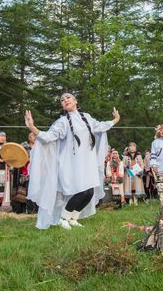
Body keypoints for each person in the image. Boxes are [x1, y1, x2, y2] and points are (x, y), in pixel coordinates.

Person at [25, 93, 120, 230]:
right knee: (81, 191)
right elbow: (48, 136)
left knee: (90, 192)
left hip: (86, 162)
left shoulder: (86, 117)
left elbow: (100, 126)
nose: (65, 100)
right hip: (71, 164)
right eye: (62, 100)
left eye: (68, 98)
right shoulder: (62, 122)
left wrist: (115, 119)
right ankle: (63, 218)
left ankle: (73, 218)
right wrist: (32, 127)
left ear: (75, 101)